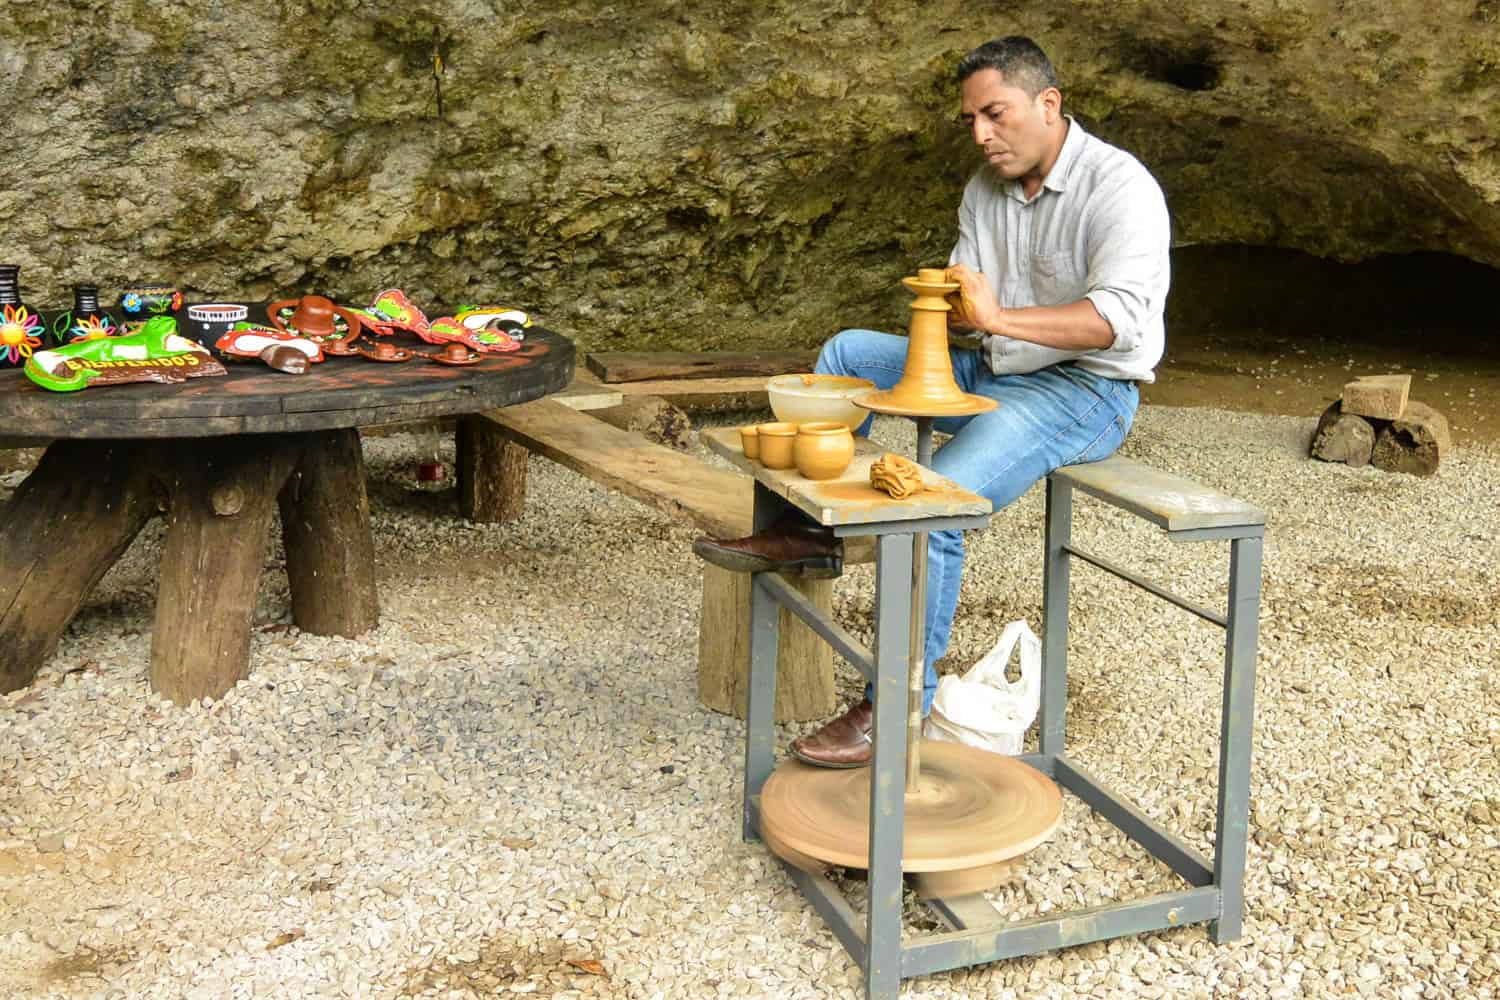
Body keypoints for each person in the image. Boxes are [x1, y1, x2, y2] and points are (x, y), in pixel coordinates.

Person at [694, 35, 1170, 767]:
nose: (982, 135)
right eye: (971, 120)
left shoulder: (1121, 187)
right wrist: (947, 311)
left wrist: (993, 318)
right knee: (848, 353)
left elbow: (1117, 320)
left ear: (1049, 103)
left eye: (996, 114)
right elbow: (959, 302)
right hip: (993, 365)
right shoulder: (986, 190)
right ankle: (811, 534)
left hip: (1085, 389)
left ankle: (898, 700)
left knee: (932, 505)